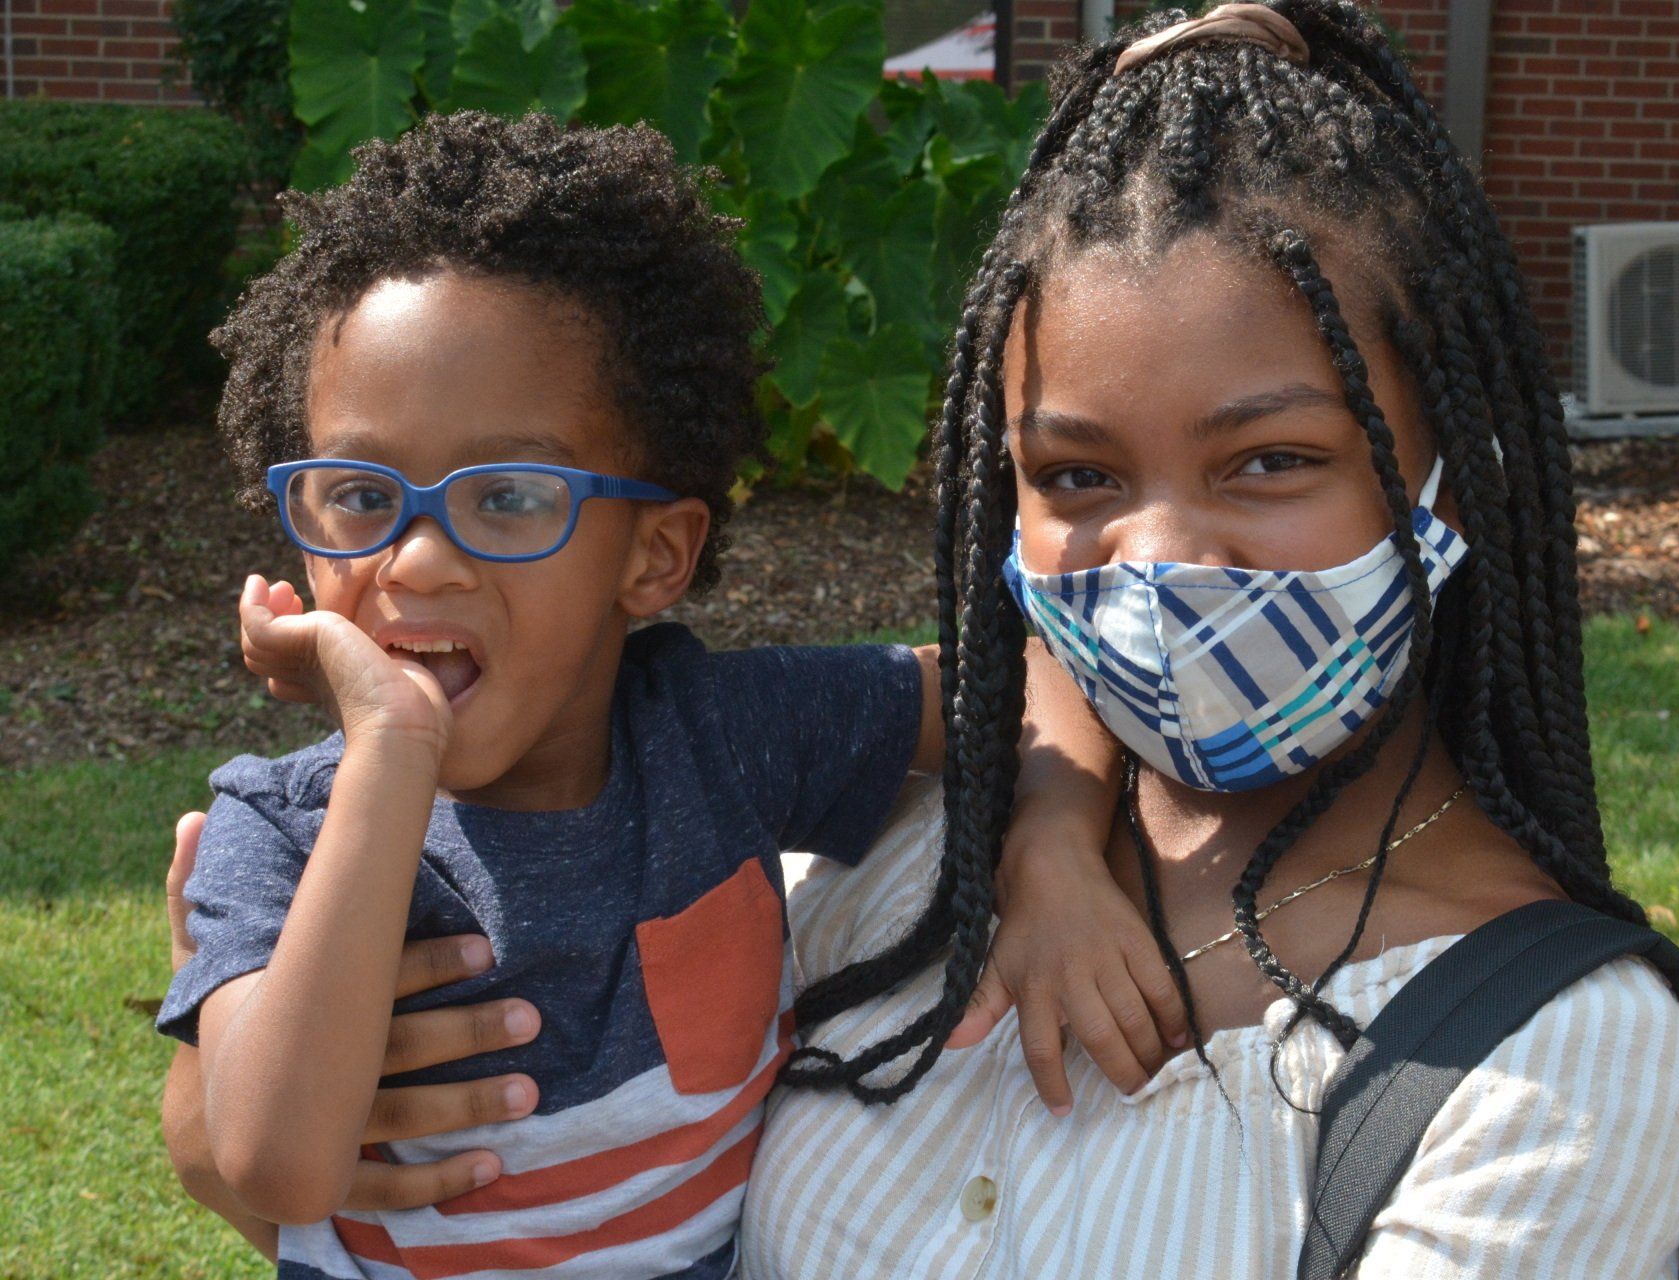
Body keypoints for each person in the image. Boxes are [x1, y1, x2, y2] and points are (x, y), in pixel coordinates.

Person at [166, 3, 1679, 1275]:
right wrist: (1044, 834)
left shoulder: (1551, 1066)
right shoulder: (884, 863)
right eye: (1077, 477)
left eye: (1271, 460)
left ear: (1457, 466)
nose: (1161, 558)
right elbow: (342, 1159)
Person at [152, 111, 1150, 1280]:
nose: (415, 560)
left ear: (654, 553)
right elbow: (270, 1164)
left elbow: (1028, 676)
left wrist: (1054, 850)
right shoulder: (276, 833)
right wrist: (388, 746)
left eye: (508, 497)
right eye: (363, 496)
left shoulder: (722, 737)